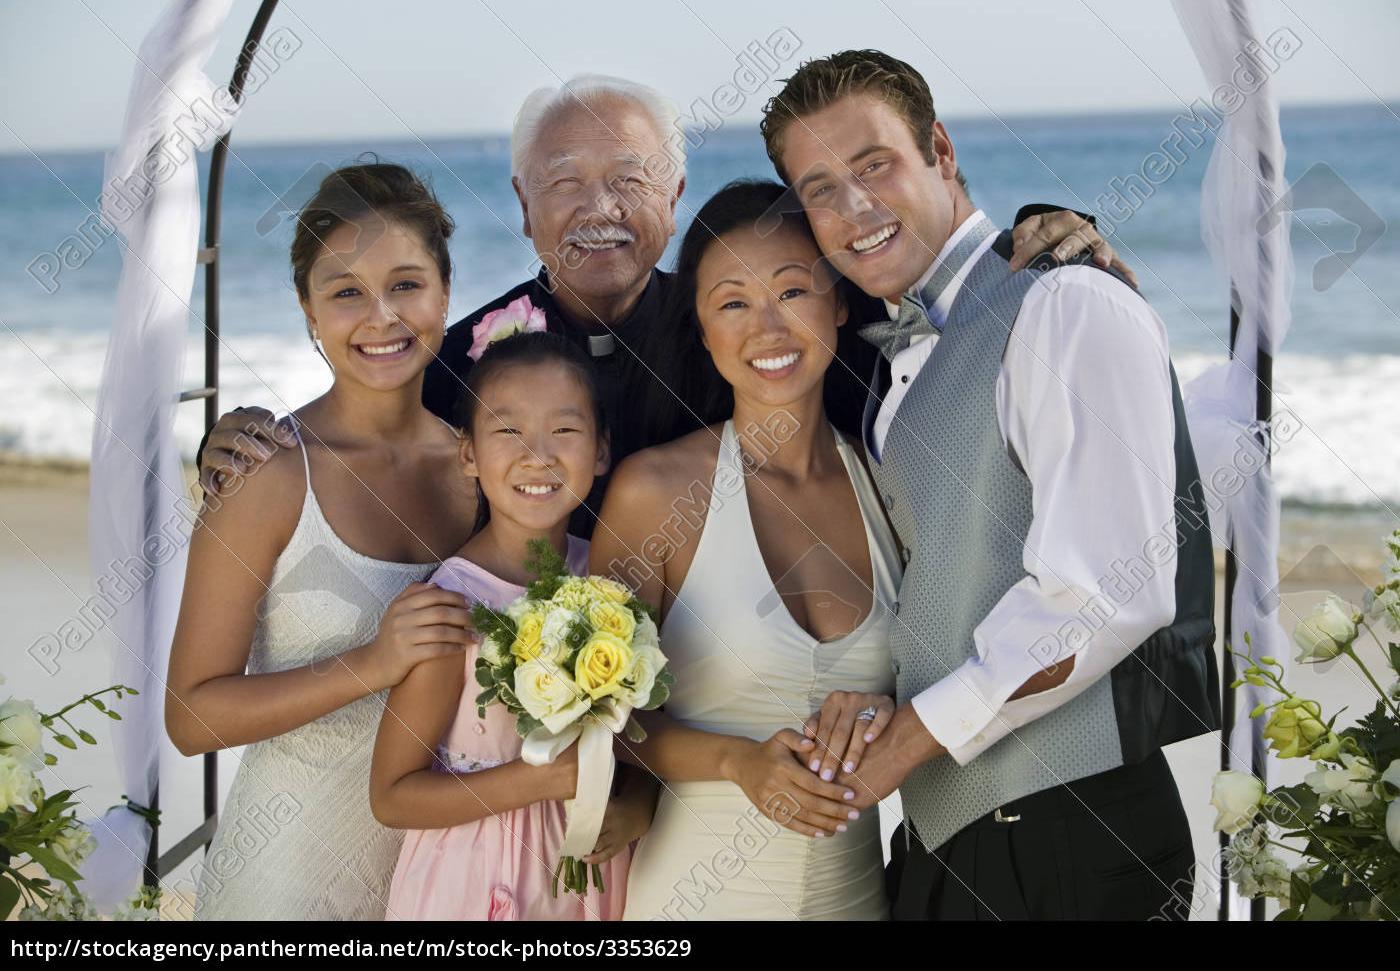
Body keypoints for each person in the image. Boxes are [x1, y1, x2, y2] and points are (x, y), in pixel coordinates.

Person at [194, 76, 1130, 538]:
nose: (599, 209)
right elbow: (368, 437)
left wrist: (1052, 237)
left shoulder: (758, 327)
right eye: (564, 182)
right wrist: (236, 440)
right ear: (521, 205)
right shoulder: (464, 360)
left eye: (629, 180)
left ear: (674, 197)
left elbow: (930, 334)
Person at [761, 50, 1219, 921]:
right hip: (946, 847)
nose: (854, 208)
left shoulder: (1066, 305)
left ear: (940, 149)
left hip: (1074, 843)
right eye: (820, 188)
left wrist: (904, 741)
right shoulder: (878, 358)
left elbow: (1107, 592)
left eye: (875, 165)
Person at [165, 163, 478, 920]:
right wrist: (371, 663)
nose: (382, 316)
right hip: (286, 886)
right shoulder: (268, 473)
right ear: (308, 310)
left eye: (407, 283)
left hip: (445, 885)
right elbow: (191, 717)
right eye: (345, 291)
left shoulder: (484, 469)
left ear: (444, 292)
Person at [590, 180, 901, 921]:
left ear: (839, 303)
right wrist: (734, 760)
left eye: (792, 291)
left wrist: (888, 714)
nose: (767, 327)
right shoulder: (654, 492)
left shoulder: (891, 485)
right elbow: (597, 712)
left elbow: (952, 675)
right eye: (733, 302)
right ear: (701, 327)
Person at [369, 331, 653, 921]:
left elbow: (645, 735)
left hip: (589, 871)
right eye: (507, 431)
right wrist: (534, 782)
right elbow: (392, 796)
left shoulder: (609, 581)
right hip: (476, 879)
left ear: (601, 450)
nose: (538, 454)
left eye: (565, 430)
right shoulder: (450, 606)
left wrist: (640, 806)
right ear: (468, 453)